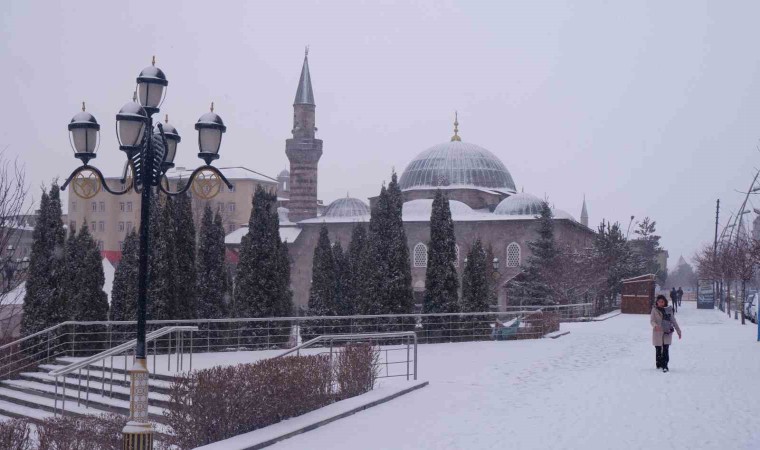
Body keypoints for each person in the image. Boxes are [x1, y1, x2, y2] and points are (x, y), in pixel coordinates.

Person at [651, 295, 682, 372]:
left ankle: (665, 365)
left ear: (665, 302)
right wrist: (655, 326)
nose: (660, 303)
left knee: (665, 349)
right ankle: (659, 364)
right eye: (659, 302)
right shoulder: (654, 310)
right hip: (657, 332)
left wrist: (678, 331)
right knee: (658, 349)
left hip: (667, 332)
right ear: (657, 302)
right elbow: (652, 320)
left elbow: (673, 321)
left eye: (662, 302)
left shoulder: (669, 310)